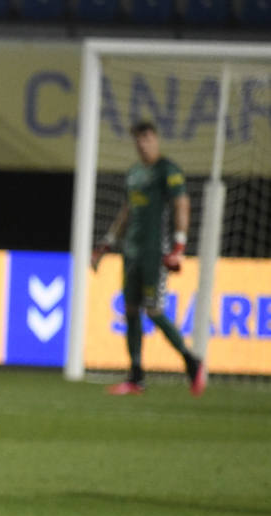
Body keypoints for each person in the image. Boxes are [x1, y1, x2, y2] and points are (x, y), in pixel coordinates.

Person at [90, 121, 207, 397]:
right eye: (138, 139)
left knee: (153, 310)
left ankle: (192, 361)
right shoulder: (134, 173)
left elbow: (181, 204)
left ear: (156, 139)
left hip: (156, 252)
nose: (143, 144)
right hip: (132, 252)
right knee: (131, 309)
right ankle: (136, 376)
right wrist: (107, 243)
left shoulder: (167, 170)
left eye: (147, 138)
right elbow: (127, 210)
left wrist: (179, 244)